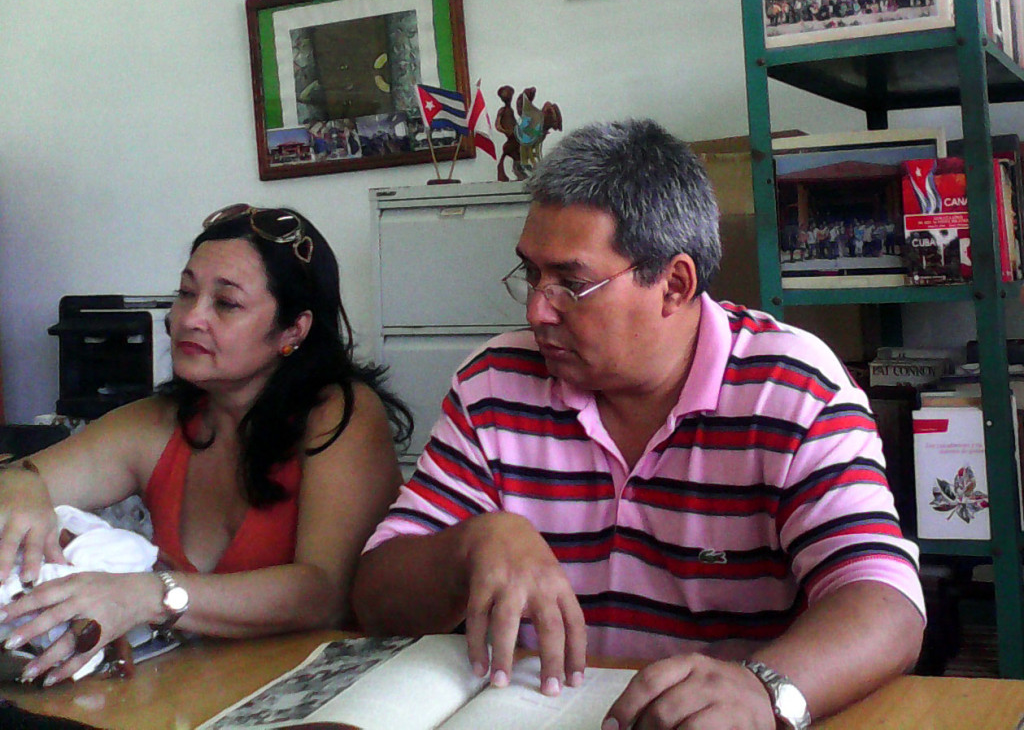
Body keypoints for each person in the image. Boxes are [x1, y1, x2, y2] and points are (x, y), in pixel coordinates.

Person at [353, 119, 925, 730]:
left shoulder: (792, 387)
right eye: (531, 274)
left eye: (571, 284)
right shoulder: (496, 383)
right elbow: (375, 597)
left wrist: (764, 690)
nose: (536, 309)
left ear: (674, 285)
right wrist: (472, 544)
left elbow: (883, 600)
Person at [0, 204, 411, 686]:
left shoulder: (340, 413)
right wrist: (22, 484)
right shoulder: (157, 423)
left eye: (226, 304)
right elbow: (21, 478)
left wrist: (149, 596)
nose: (188, 318)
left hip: (328, 691)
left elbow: (324, 592)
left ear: (293, 330)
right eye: (185, 293)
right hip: (202, 690)